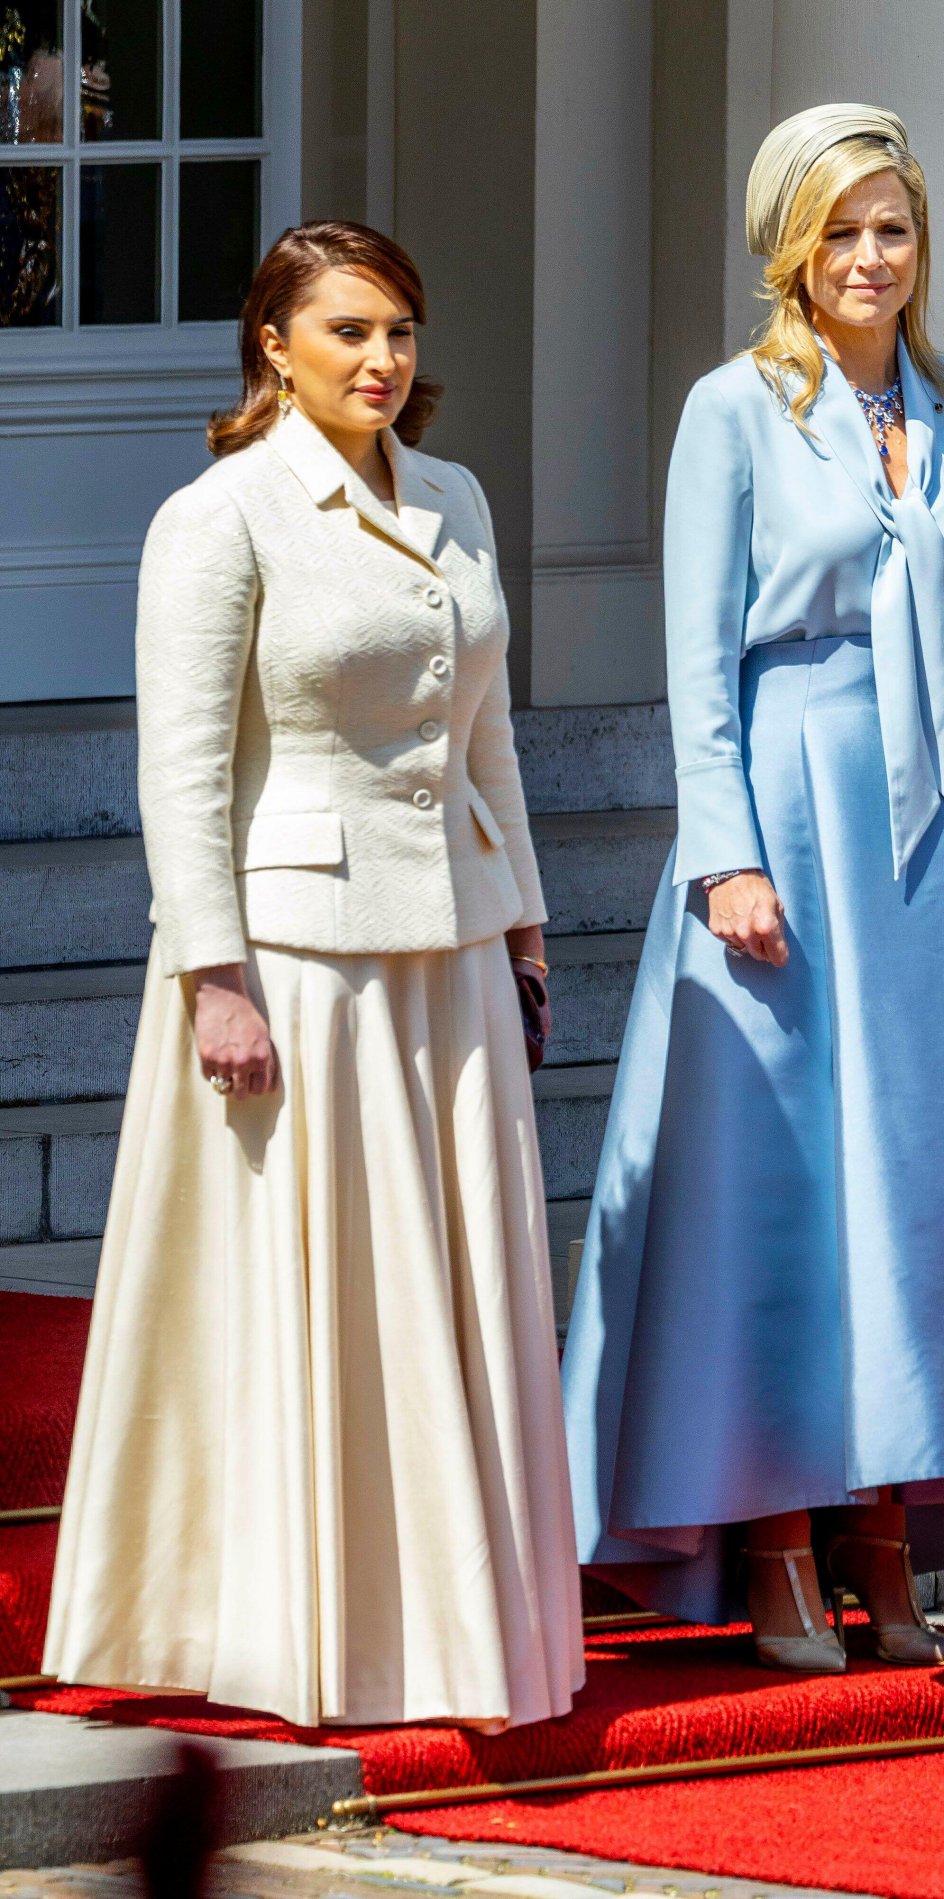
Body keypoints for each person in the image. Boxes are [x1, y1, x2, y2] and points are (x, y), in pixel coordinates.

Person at [561, 105, 944, 1674]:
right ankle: (784, 1541)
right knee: (789, 1189)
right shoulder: (731, 412)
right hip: (787, 826)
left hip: (939, 841)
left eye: (895, 228)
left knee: (922, 1191)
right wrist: (723, 849)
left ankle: (888, 1535)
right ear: (789, 248)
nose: (871, 257)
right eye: (843, 229)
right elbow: (698, 663)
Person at [44, 220, 584, 1731]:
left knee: (453, 1301)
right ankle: (305, 1641)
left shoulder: (459, 496)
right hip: (299, 967)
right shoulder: (218, 516)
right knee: (320, 1308)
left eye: (400, 331)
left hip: (457, 948)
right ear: (273, 343)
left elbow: (489, 736)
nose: (383, 360)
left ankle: (456, 1634)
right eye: (349, 331)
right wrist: (211, 972)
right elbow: (183, 773)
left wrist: (529, 927)